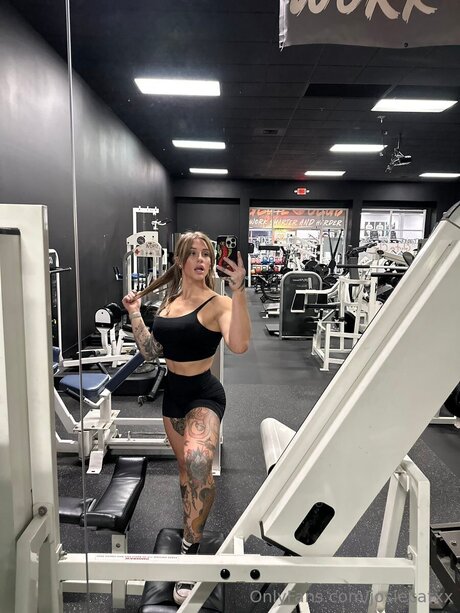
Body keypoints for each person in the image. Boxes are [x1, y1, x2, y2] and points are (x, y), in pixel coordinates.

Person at [122, 231, 251, 605]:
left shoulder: (219, 303)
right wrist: (134, 312)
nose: (201, 259)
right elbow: (151, 353)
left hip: (204, 395)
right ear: (179, 261)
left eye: (206, 254)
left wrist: (239, 292)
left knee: (197, 463)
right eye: (193, 253)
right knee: (187, 473)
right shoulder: (169, 304)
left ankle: (189, 555)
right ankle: (190, 526)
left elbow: (240, 345)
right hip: (174, 399)